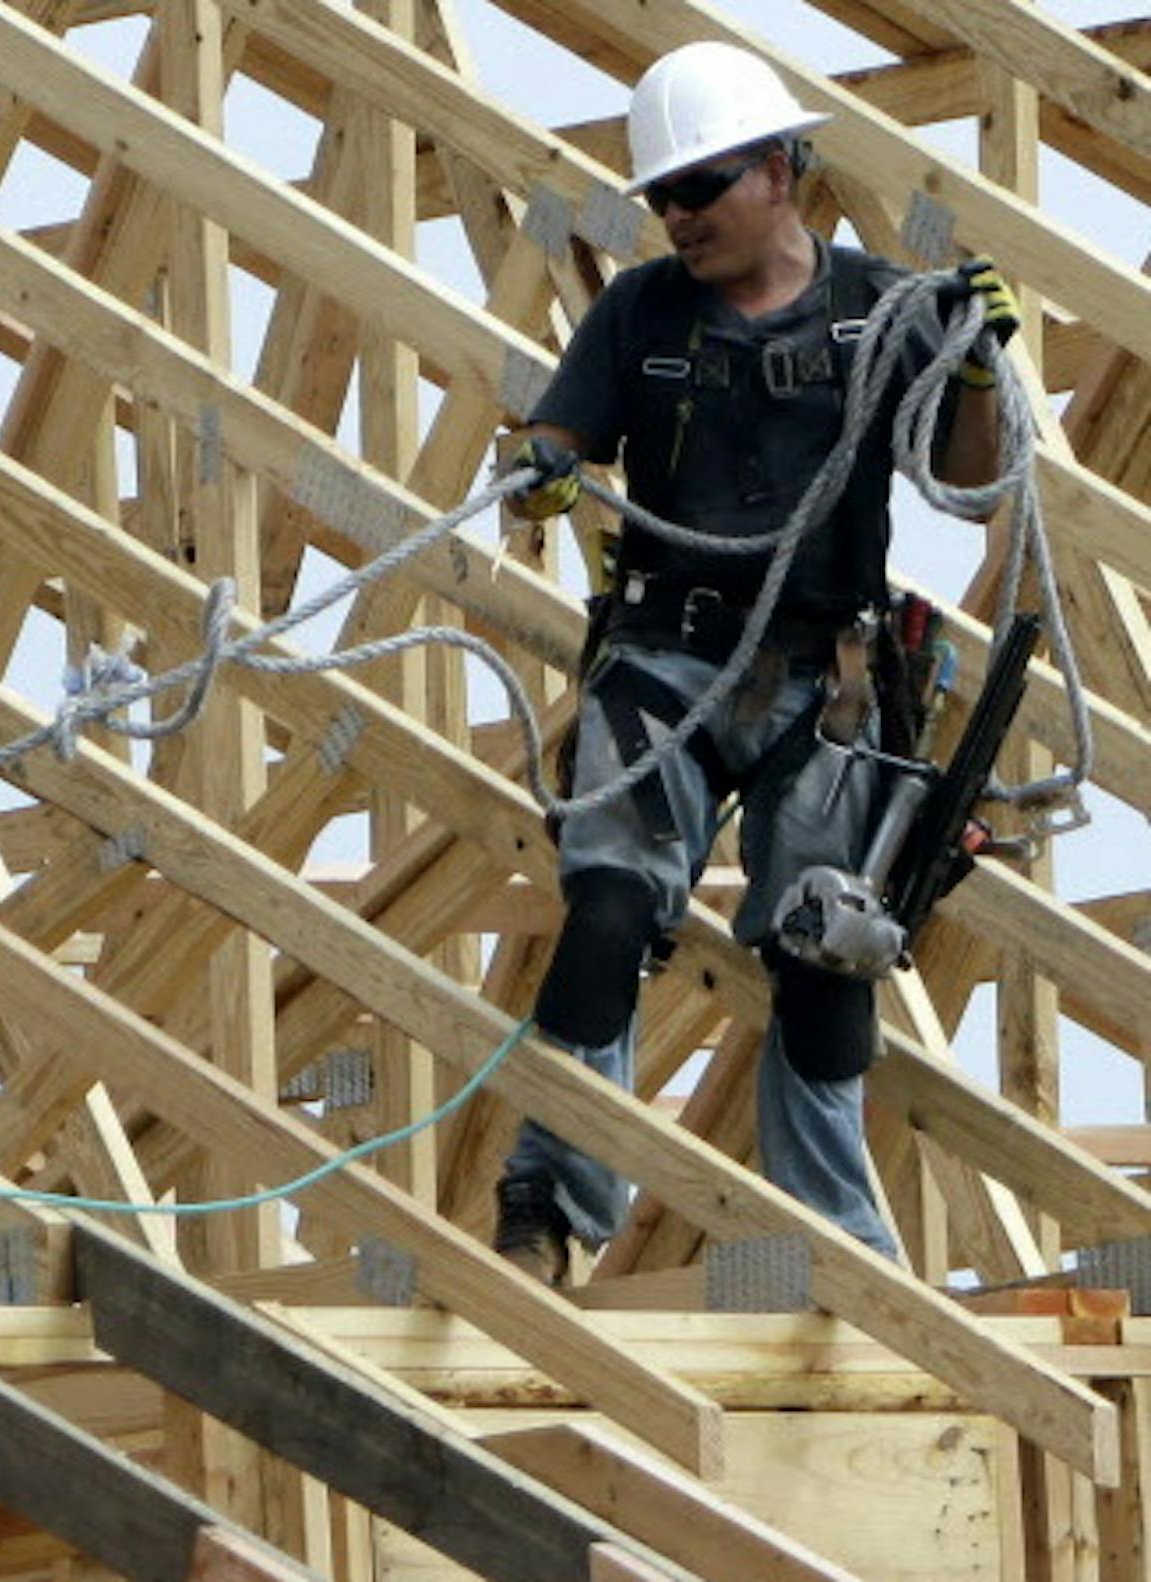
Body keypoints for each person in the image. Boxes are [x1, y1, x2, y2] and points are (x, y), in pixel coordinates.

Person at [490, 39, 1019, 1283]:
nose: (678, 216)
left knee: (829, 950)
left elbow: (972, 485)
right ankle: (549, 1205)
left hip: (821, 682)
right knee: (608, 911)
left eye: (702, 187)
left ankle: (831, 1249)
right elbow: (546, 450)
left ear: (783, 172)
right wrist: (543, 468)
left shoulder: (882, 313)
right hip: (667, 659)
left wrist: (982, 362)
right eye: (664, 196)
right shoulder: (639, 313)